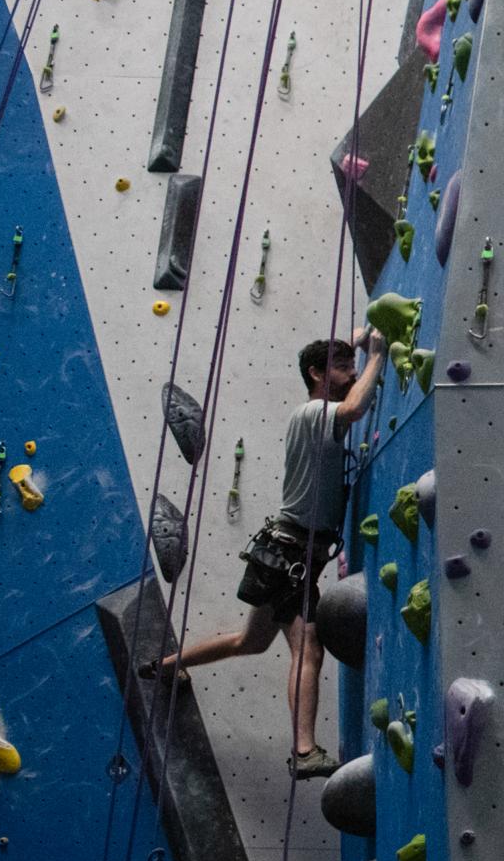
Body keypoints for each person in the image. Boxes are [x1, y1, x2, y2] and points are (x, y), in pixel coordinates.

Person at [142, 330, 385, 779]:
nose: (352, 371)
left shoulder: (312, 410)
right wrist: (379, 355)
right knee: (308, 649)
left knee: (249, 642)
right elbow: (353, 408)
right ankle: (305, 751)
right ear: (316, 374)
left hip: (283, 551)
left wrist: (357, 340)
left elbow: (339, 363)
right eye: (342, 365)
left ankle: (164, 666)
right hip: (292, 554)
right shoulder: (317, 412)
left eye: (353, 364)